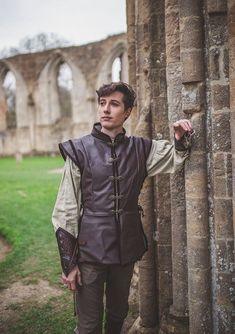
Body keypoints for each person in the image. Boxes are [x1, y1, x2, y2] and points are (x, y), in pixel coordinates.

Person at [52, 82, 194, 334]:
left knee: (118, 315)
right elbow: (65, 209)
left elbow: (175, 156)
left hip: (125, 248)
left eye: (114, 104)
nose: (105, 109)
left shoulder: (141, 149)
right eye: (102, 103)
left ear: (127, 112)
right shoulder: (79, 150)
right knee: (89, 324)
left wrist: (180, 137)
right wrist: (69, 263)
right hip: (90, 252)